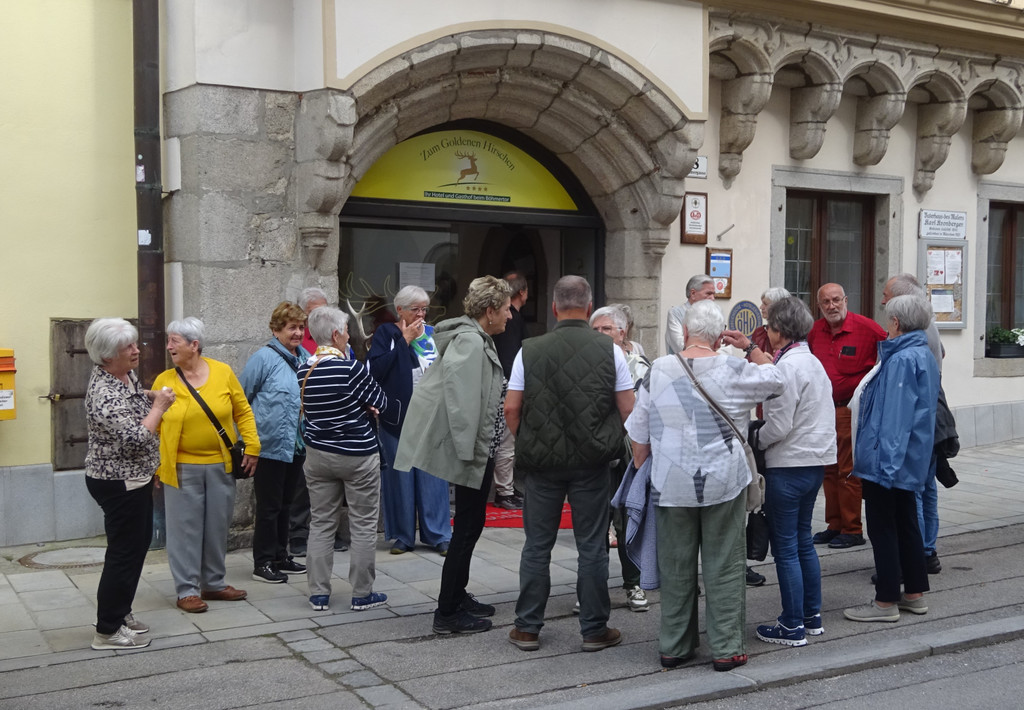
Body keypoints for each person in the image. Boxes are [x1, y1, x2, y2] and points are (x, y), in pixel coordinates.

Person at [630, 301, 784, 671]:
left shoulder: (658, 369)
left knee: (676, 565)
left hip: (671, 483)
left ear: (684, 332)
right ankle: (727, 648)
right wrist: (750, 347)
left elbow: (638, 436)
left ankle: (675, 646)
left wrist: (650, 469)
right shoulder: (734, 367)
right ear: (719, 338)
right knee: (724, 564)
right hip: (722, 480)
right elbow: (777, 380)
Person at [505, 276, 635, 653]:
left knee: (537, 545)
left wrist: (529, 439)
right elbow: (629, 409)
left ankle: (527, 627)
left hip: (542, 464)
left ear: (554, 308)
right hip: (592, 462)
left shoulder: (529, 350)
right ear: (589, 307)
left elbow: (512, 408)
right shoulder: (611, 351)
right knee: (592, 545)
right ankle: (594, 629)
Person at [396, 276, 512, 635]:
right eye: (506, 309)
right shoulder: (471, 342)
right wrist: (468, 454)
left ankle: (457, 596)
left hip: (478, 449)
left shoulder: (476, 339)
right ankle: (447, 611)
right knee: (465, 529)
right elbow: (462, 402)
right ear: (490, 310)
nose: (509, 315)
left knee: (470, 526)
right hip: (473, 452)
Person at [728, 298, 836, 647]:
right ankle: (811, 616)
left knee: (786, 547)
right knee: (803, 540)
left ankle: (791, 625)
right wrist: (750, 349)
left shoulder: (787, 369)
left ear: (778, 330)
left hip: (788, 464)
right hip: (814, 463)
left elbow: (778, 425)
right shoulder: (811, 361)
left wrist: (755, 440)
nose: (768, 331)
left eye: (770, 326)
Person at [153, 317, 260, 614]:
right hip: (181, 467)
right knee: (184, 531)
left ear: (194, 345)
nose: (169, 346)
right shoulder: (164, 381)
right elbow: (155, 425)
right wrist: (157, 466)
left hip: (220, 465)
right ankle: (187, 590)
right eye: (169, 341)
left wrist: (252, 447)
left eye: (174, 341)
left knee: (216, 526)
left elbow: (243, 412)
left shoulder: (222, 372)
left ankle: (213, 583)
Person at [843, 295, 939, 622]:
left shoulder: (901, 359)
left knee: (883, 527)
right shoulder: (923, 353)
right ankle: (914, 593)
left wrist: (885, 467)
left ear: (896, 322)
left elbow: (895, 418)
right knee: (906, 521)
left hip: (889, 460)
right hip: (909, 457)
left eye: (888, 319)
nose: (886, 325)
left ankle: (885, 601)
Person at [83, 318, 175, 649]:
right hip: (117, 482)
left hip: (135, 477)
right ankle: (107, 630)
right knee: (123, 553)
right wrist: (159, 407)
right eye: (128, 347)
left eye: (135, 343)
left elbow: (134, 398)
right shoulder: (104, 393)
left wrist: (150, 395)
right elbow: (136, 438)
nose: (137, 350)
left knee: (136, 547)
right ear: (108, 355)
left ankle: (121, 612)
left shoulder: (122, 374)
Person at [298, 307, 390, 613]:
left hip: (318, 454)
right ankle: (362, 593)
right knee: (363, 524)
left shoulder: (303, 370)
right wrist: (365, 407)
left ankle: (318, 594)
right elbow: (380, 401)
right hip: (357, 455)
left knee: (321, 523)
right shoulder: (352, 369)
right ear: (336, 335)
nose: (349, 336)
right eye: (347, 331)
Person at [368, 285, 452, 555]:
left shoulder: (432, 334)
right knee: (400, 479)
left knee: (433, 477)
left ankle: (438, 534)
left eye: (424, 309)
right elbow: (376, 370)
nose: (421, 314)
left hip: (431, 416)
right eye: (415, 309)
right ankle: (403, 535)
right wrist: (404, 340)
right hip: (397, 417)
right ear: (400, 310)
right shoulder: (386, 333)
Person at [806, 283, 887, 550]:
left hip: (850, 410)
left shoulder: (868, 329)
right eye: (826, 302)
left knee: (847, 470)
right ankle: (835, 524)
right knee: (828, 469)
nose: (832, 306)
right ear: (819, 306)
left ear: (846, 300)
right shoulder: (815, 331)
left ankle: (852, 529)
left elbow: (890, 358)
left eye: (836, 300)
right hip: (823, 410)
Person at [240, 302, 311, 584]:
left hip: (296, 445)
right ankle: (263, 562)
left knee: (286, 504)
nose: (298, 333)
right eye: (292, 327)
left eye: (301, 327)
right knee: (269, 508)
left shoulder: (306, 358)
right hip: (268, 445)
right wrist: (247, 442)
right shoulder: (263, 359)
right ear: (276, 330)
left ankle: (281, 555)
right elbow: (242, 399)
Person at [882, 273, 944, 574]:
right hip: (929, 421)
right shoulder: (927, 328)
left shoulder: (907, 350)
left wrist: (889, 459)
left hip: (917, 429)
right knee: (926, 489)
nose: (882, 301)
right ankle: (926, 551)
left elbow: (899, 410)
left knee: (914, 493)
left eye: (886, 296)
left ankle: (914, 556)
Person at [590, 305, 651, 613]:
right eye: (596, 330)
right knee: (595, 522)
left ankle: (633, 583)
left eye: (607, 329)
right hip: (595, 452)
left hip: (629, 451)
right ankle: (592, 588)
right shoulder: (585, 363)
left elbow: (643, 409)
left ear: (622, 332)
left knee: (629, 520)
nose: (601, 334)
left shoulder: (638, 364)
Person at [290, 286, 349, 558]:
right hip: (307, 425)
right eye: (315, 312)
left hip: (336, 424)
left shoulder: (338, 341)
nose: (321, 316)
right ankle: (298, 534)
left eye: (326, 310)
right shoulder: (298, 340)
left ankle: (333, 532)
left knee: (334, 485)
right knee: (303, 486)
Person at [490, 271, 529, 510]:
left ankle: (507, 487)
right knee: (506, 440)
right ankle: (504, 491)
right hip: (507, 384)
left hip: (503, 382)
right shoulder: (513, 319)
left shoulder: (510, 318)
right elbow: (512, 356)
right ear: (522, 292)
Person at [665, 274, 716, 355]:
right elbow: (679, 346)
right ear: (693, 294)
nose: (712, 298)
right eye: (708, 294)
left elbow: (724, 348)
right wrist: (709, 349)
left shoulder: (714, 315)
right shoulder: (676, 313)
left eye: (713, 294)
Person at [749, 287, 792, 359]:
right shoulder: (759, 332)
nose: (761, 307)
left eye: (765, 304)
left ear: (778, 306)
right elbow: (749, 360)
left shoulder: (792, 334)